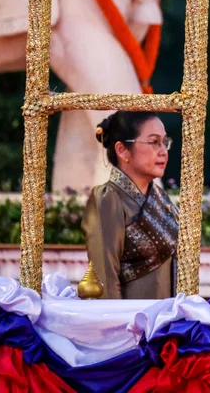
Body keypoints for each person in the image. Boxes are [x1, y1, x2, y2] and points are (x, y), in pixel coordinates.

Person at [82, 110, 179, 300]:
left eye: (165, 142)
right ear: (122, 150)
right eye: (154, 142)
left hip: (168, 323)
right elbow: (105, 281)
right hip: (131, 324)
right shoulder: (109, 199)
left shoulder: (162, 199)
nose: (163, 151)